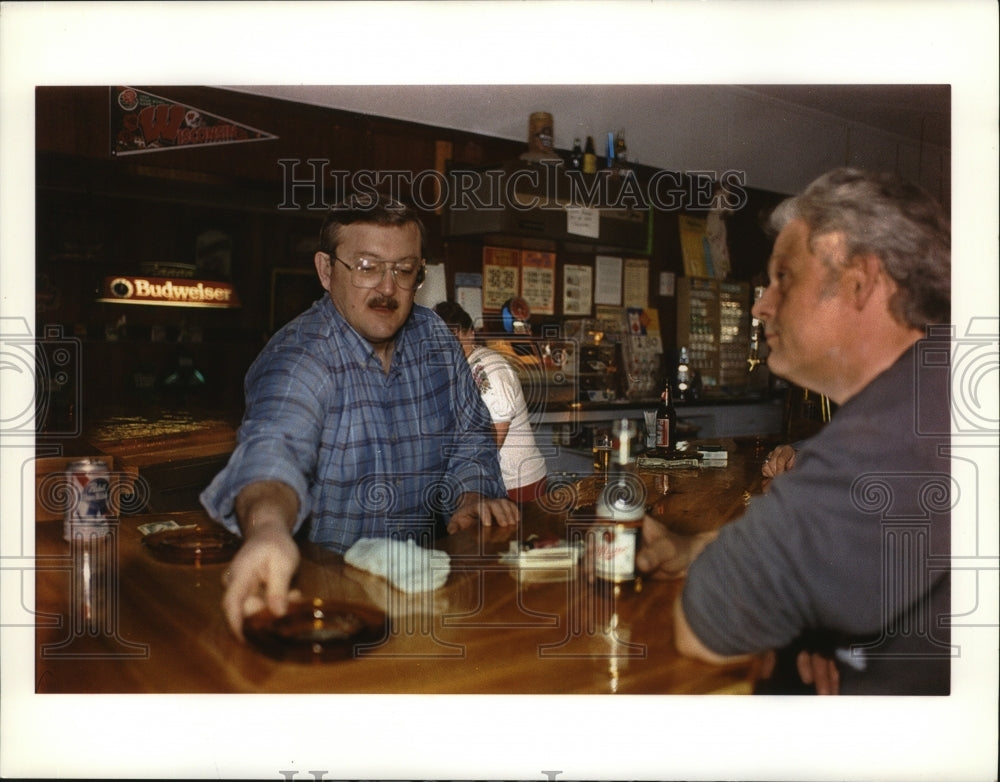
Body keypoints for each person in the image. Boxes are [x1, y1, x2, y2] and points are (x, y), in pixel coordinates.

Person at [636, 168, 952, 694]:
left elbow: (706, 624)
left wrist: (768, 601)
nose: (761, 305)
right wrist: (698, 551)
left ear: (860, 281)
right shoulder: (935, 388)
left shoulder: (895, 434)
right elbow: (839, 549)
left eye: (784, 278)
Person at [201, 194, 518, 638]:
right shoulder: (299, 357)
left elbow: (469, 435)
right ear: (326, 271)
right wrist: (268, 529)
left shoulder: (437, 341)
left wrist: (470, 496)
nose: (388, 289)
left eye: (404, 270)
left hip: (425, 599)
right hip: (326, 605)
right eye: (367, 267)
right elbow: (274, 450)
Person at [433, 301, 549, 503]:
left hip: (515, 484)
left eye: (454, 338)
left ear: (470, 333)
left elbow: (494, 438)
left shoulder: (486, 368)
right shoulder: (459, 369)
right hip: (492, 481)